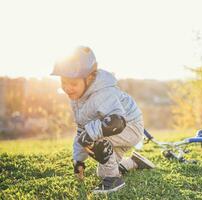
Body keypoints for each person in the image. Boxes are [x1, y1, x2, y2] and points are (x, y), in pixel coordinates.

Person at [51, 46, 155, 193]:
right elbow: (81, 129)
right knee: (102, 172)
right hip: (113, 131)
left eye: (73, 83)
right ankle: (134, 162)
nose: (67, 88)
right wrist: (78, 160)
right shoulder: (77, 99)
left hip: (130, 127)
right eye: (63, 83)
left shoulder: (103, 93)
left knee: (93, 139)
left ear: (90, 78)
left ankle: (114, 181)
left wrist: (90, 135)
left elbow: (117, 122)